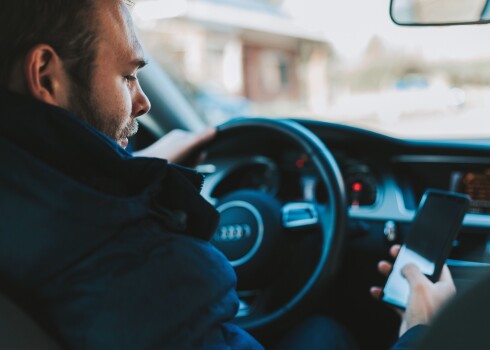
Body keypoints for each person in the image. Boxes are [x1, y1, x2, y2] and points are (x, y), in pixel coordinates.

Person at [0, 0, 456, 348]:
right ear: (46, 77)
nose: (144, 103)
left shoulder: (38, 217)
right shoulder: (137, 277)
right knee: (327, 333)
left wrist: (137, 174)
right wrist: (426, 333)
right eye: (128, 77)